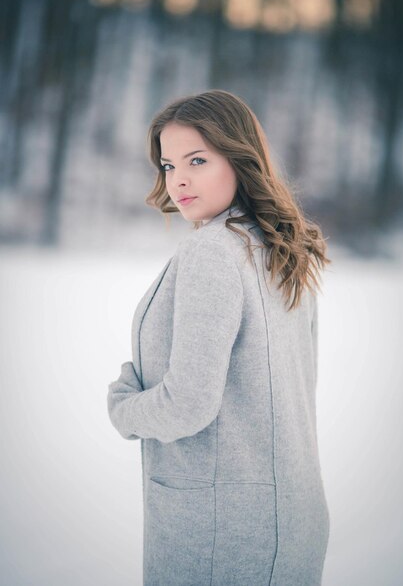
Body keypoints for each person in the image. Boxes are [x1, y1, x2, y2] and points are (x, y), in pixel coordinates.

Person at [107, 89, 332, 586]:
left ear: (239, 157)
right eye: (168, 165)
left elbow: (188, 404)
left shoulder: (213, 252)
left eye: (197, 160)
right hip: (289, 522)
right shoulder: (281, 249)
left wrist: (124, 407)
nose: (178, 179)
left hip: (222, 537)